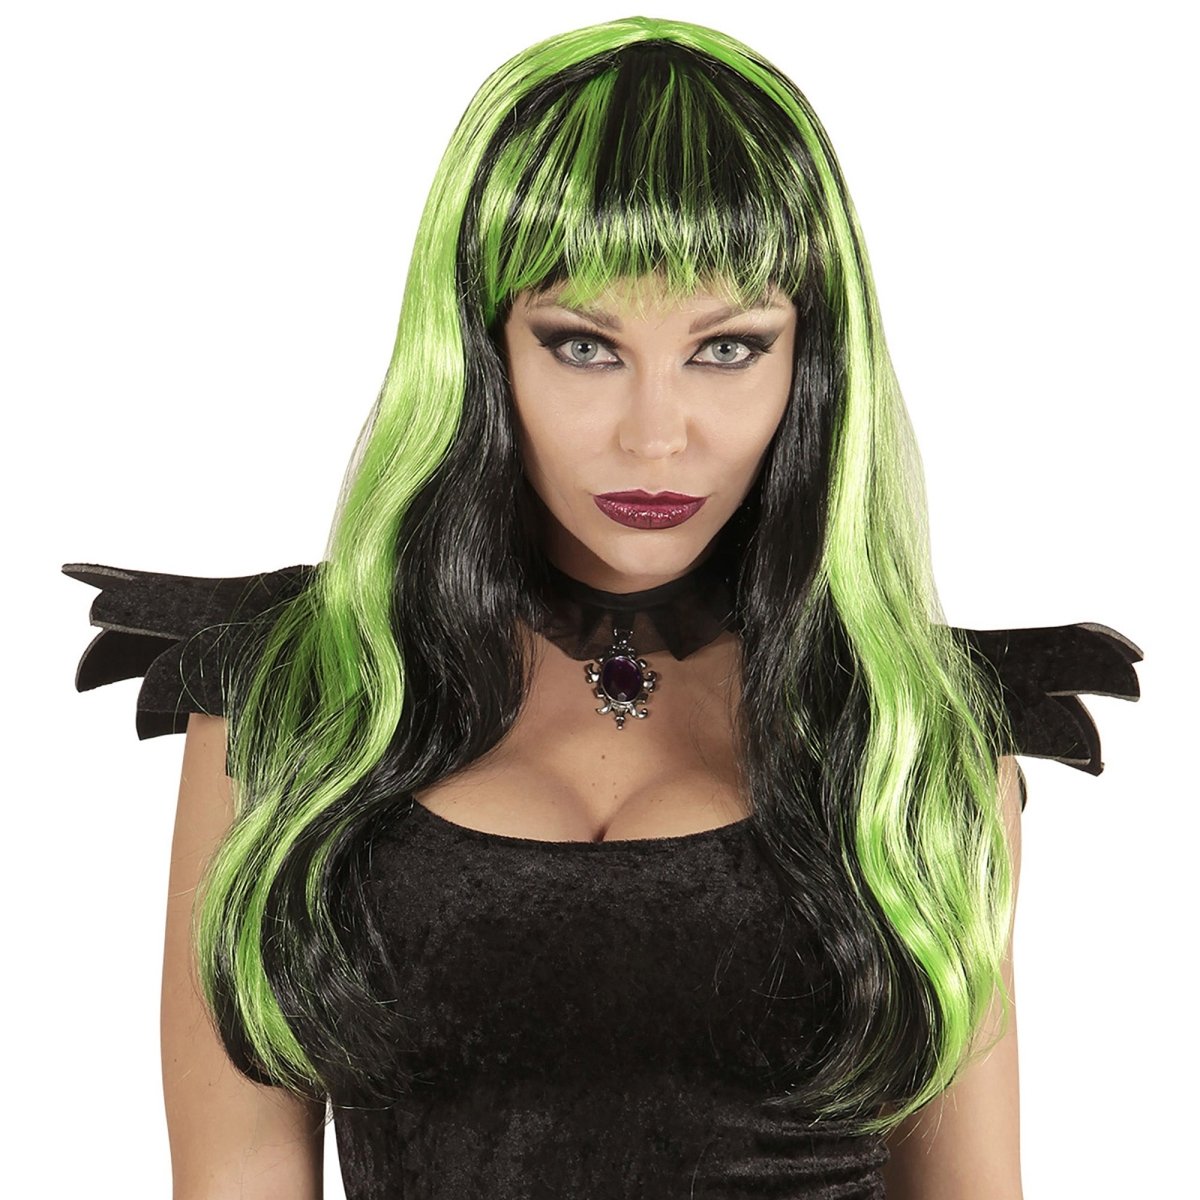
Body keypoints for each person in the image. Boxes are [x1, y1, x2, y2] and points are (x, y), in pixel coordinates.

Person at [61, 16, 1143, 1200]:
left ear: (811, 363)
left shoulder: (913, 730)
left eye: (727, 349)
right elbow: (232, 1179)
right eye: (583, 346)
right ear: (482, 349)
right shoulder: (294, 698)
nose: (655, 434)